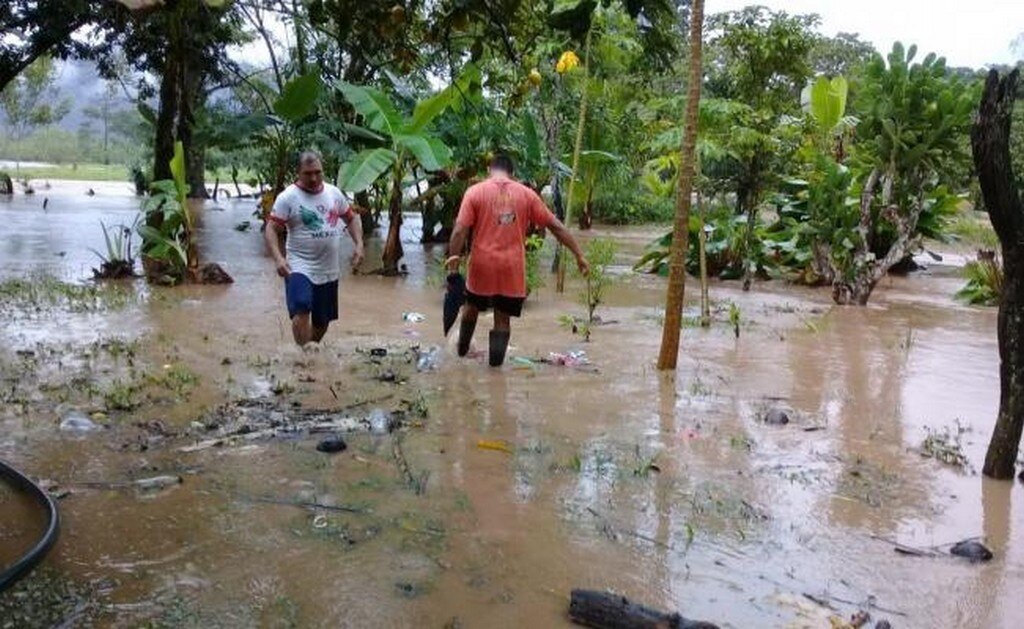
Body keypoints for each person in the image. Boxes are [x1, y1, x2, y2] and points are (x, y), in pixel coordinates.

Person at [446, 153, 590, 367]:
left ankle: (461, 353)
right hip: (512, 268)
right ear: (512, 173)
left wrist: (453, 258)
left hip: (481, 265)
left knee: (471, 307)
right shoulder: (527, 195)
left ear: (489, 170)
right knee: (502, 319)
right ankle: (495, 370)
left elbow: (459, 231)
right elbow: (556, 227)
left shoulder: (475, 192)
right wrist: (579, 255)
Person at [265, 151, 364, 346]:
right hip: (299, 265)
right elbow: (271, 228)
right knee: (301, 307)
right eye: (308, 173)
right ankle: (305, 360)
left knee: (322, 321)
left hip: (328, 269)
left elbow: (350, 219)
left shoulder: (334, 193)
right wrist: (278, 258)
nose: (314, 178)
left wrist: (359, 244)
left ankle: (310, 350)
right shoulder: (288, 197)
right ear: (298, 173)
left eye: (318, 172)